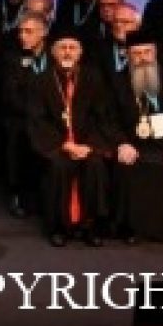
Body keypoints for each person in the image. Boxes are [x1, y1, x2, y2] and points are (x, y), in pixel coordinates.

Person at [28, 31, 117, 247]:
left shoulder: (93, 79)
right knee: (59, 166)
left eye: (72, 48)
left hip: (86, 143)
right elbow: (37, 120)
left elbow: (102, 117)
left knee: (95, 165)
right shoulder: (40, 81)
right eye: (62, 47)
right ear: (53, 52)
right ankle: (59, 227)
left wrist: (89, 146)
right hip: (57, 145)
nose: (67, 52)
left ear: (80, 53)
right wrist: (64, 144)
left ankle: (91, 226)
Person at [0, 12, 51, 218]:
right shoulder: (13, 58)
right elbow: (10, 94)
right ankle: (17, 194)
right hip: (23, 115)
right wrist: (34, 113)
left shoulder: (54, 56)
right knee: (17, 133)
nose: (22, 36)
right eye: (21, 31)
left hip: (51, 117)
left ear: (43, 33)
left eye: (29, 32)